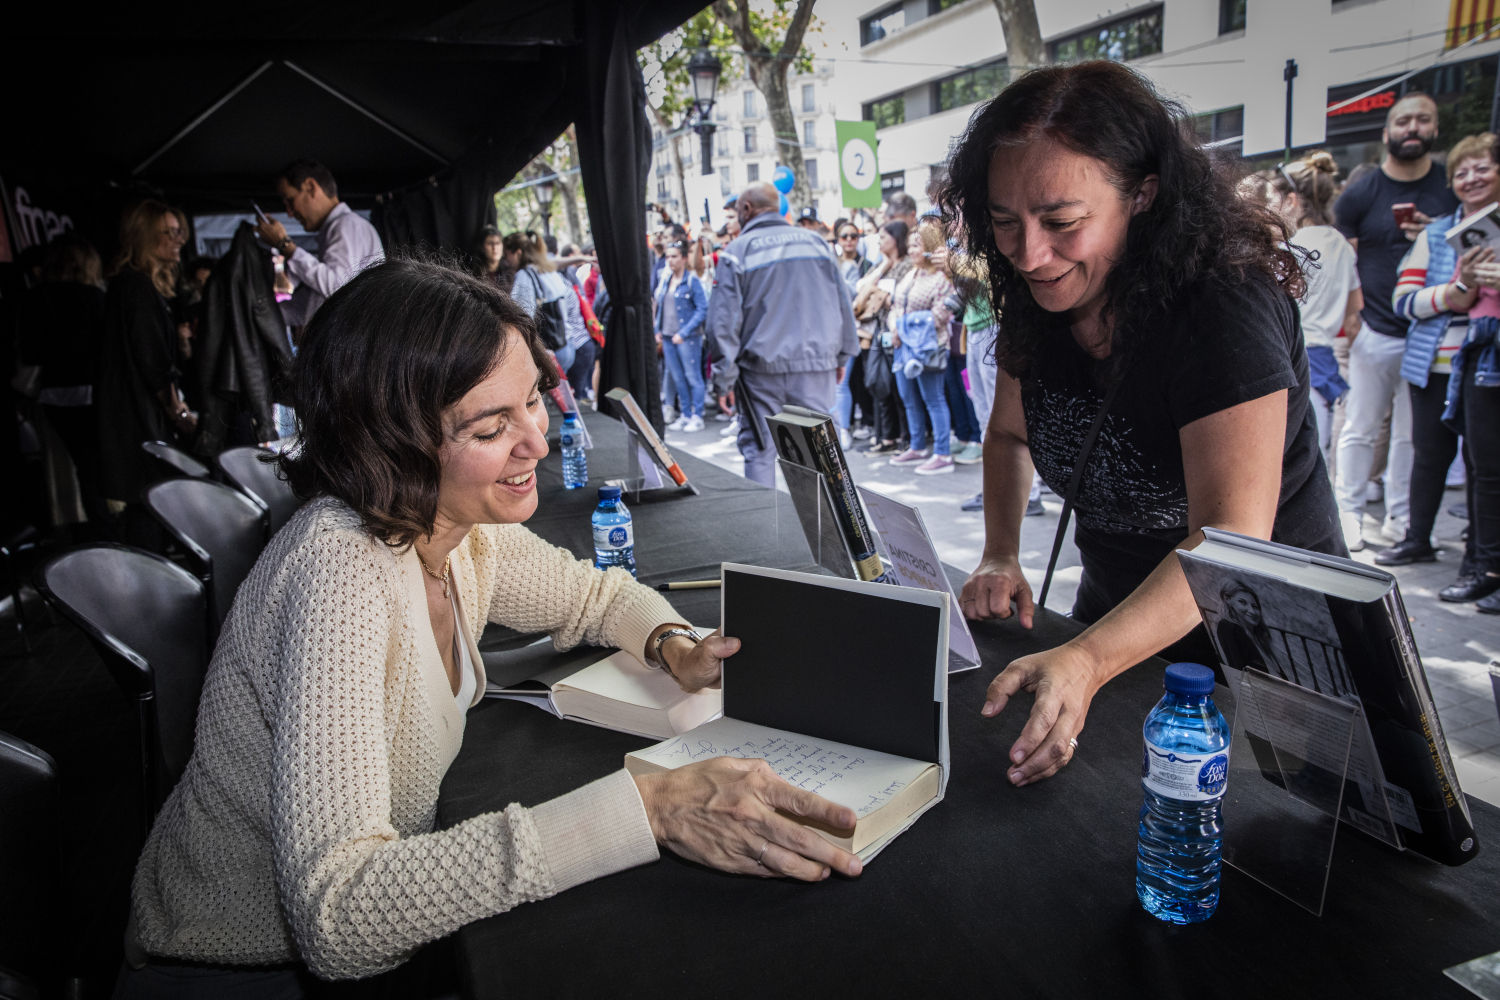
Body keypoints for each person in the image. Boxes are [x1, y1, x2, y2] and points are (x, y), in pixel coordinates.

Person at [117, 258, 861, 993]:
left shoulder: (455, 527)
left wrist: (674, 645)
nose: (536, 441)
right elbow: (337, 917)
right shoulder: (339, 574)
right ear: (393, 442)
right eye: (490, 426)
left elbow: (594, 597)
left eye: (533, 400)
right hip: (229, 966)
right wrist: (650, 809)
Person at [941, 61, 1342, 786]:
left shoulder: (1224, 306)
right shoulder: (1035, 296)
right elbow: (1006, 434)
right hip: (1124, 622)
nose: (1030, 255)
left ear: (1144, 195)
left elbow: (1230, 541)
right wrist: (1001, 551)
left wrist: (1089, 658)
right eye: (1004, 223)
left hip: (1275, 651)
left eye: (1062, 222)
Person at [1332, 94, 1458, 551]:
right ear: (1386, 133)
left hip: (1431, 333)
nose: (1413, 127)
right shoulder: (1363, 192)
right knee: (1360, 427)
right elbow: (1342, 257)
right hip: (1375, 329)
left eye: (1423, 119)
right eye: (1403, 120)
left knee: (1412, 435)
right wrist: (1354, 319)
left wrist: (1435, 231)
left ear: (1435, 129)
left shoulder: (1449, 190)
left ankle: (1401, 520)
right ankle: (1348, 514)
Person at [1388, 133, 1500, 605]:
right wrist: (1457, 290)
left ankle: (1481, 561)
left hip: (1483, 362)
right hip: (1434, 362)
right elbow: (1404, 301)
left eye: (1481, 168)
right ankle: (1418, 538)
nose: (1470, 179)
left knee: (1484, 466)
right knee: (1429, 455)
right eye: (1461, 172)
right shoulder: (1437, 236)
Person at [708, 182, 858, 486]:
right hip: (815, 367)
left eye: (736, 213)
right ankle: (828, 532)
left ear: (747, 209)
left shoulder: (736, 252)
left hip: (760, 372)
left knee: (760, 451)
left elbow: (722, 324)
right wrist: (843, 354)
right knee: (821, 456)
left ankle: (765, 531)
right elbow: (843, 304)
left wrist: (723, 379)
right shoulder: (816, 244)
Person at [97, 200, 197, 513]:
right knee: (148, 508)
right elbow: (151, 360)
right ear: (143, 237)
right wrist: (178, 414)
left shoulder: (136, 285)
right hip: (137, 423)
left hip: (135, 418)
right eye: (168, 232)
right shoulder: (135, 286)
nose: (178, 239)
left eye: (179, 231)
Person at [1264, 153, 1364, 467]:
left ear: (1292, 200)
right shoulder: (1343, 246)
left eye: (1271, 200)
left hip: (1289, 359)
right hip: (1325, 358)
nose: (1268, 208)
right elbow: (1355, 309)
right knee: (1316, 456)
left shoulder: (1286, 249)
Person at [17, 233, 109, 529]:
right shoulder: (95, 299)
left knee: (75, 467)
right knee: (94, 466)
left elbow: (30, 353)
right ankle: (103, 527)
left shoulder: (35, 299)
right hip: (93, 391)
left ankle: (84, 525)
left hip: (53, 395)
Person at [254, 159, 385, 332]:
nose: (290, 213)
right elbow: (310, 306)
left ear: (310, 187)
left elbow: (336, 288)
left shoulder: (347, 225)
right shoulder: (340, 228)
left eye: (290, 200)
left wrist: (285, 245)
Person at [886, 221, 958, 475]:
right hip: (903, 347)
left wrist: (904, 327)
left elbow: (941, 313)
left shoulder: (942, 280)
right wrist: (895, 328)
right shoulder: (909, 275)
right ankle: (917, 446)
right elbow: (895, 305)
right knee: (908, 398)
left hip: (928, 348)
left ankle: (942, 453)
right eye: (911, 244)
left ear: (929, 246)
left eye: (917, 244)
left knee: (934, 399)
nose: (912, 249)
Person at [851, 221, 914, 455]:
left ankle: (905, 437)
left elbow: (897, 299)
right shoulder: (882, 265)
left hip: (898, 331)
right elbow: (862, 288)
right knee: (879, 383)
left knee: (900, 389)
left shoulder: (907, 266)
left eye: (884, 238)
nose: (879, 242)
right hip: (878, 332)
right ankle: (887, 436)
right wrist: (885, 265)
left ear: (896, 239)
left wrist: (880, 294)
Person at [508, 230, 585, 379]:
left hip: (550, 350)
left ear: (517, 253)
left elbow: (521, 316)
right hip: (567, 345)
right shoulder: (549, 271)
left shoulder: (525, 275)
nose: (506, 260)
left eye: (507, 255)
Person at [654, 241, 709, 432]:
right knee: (678, 378)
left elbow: (702, 309)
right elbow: (660, 307)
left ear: (684, 258)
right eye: (668, 256)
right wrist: (658, 330)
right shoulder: (667, 280)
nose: (670, 260)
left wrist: (684, 332)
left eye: (674, 256)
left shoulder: (692, 281)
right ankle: (685, 414)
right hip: (668, 336)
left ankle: (697, 415)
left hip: (687, 337)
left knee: (692, 376)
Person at [474, 224, 516, 292]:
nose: (495, 248)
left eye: (498, 243)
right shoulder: (475, 271)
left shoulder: (510, 273)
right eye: (490, 243)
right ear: (482, 247)